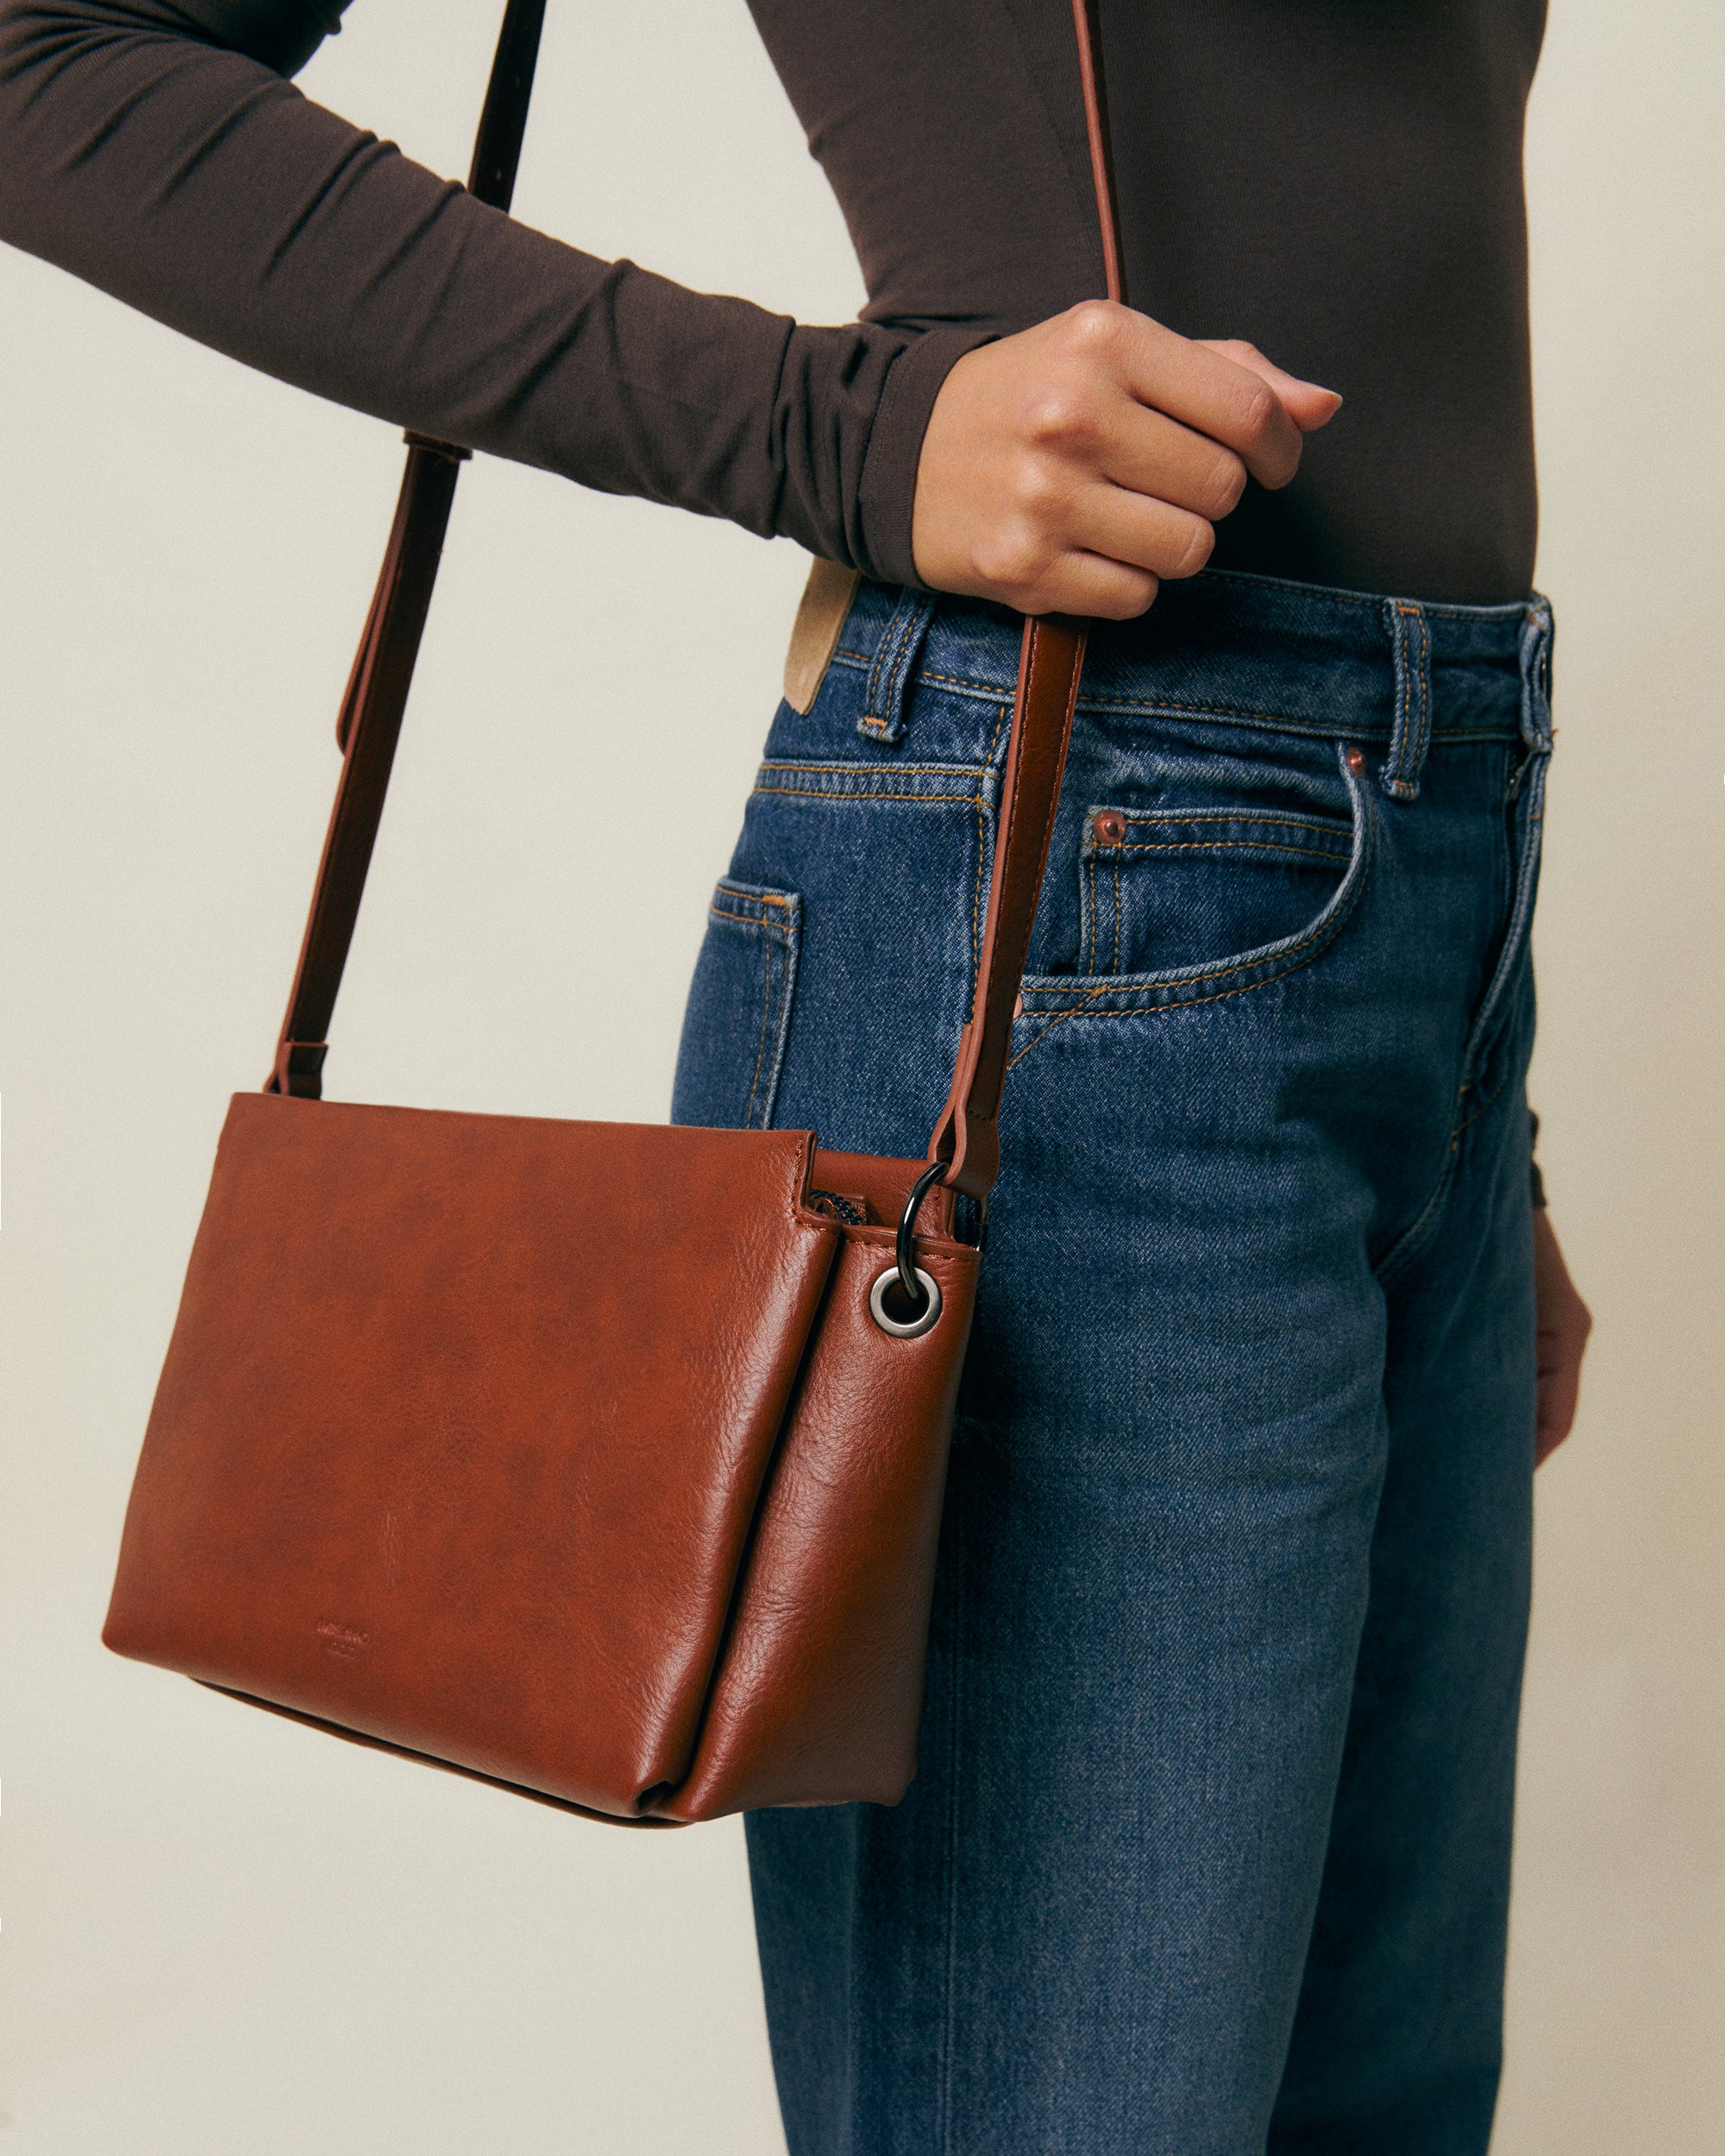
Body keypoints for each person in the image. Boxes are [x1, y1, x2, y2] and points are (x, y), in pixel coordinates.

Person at [0, 3, 1594, 2148]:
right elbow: (42, 52)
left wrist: (1473, 1102)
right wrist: (842, 432)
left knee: (1379, 2110)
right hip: (1075, 893)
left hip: (1430, 900)